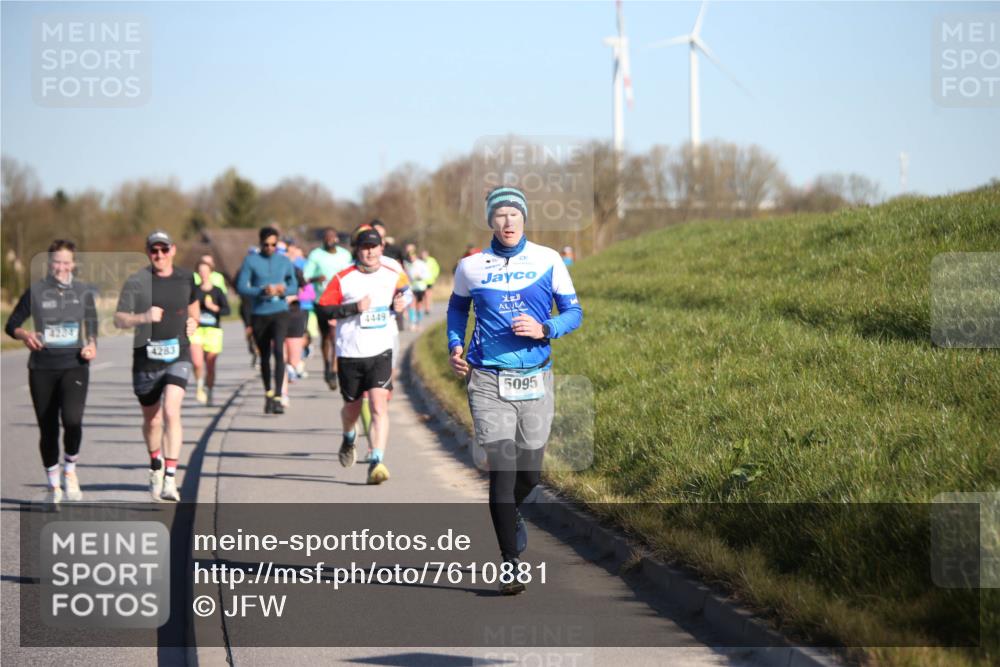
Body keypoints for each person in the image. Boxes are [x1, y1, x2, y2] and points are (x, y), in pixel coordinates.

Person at [447, 186, 583, 595]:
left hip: (536, 378)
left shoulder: (548, 259)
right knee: (502, 473)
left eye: (514, 215)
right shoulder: (471, 266)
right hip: (488, 380)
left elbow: (573, 312)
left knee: (531, 473)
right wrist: (455, 345)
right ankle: (510, 564)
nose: (508, 222)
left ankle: (513, 515)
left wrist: (547, 329)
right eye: (500, 215)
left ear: (524, 219)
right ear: (490, 221)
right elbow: (456, 308)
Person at [5, 239, 98, 504]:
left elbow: (91, 325)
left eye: (66, 262)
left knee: (72, 421)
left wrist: (91, 344)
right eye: (57, 261)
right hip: (42, 368)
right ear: (49, 263)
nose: (61, 267)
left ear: (74, 264)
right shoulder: (35, 291)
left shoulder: (83, 292)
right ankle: (53, 485)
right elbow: (11, 324)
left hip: (74, 366)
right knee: (48, 430)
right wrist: (24, 334)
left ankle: (70, 470)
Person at [316, 227, 410, 485]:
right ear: (358, 250)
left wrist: (402, 302)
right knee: (352, 409)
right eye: (364, 247)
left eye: (374, 247)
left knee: (379, 405)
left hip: (380, 350)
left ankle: (377, 460)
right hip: (350, 352)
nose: (369, 252)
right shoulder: (344, 278)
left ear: (382, 248)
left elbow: (406, 292)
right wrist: (354, 308)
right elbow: (323, 310)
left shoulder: (393, 273)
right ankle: (348, 437)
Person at [114, 230, 199, 502]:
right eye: (154, 250)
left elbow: (194, 307)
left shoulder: (187, 277)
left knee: (172, 411)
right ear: (148, 252)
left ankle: (171, 479)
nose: (159, 255)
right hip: (146, 361)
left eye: (164, 249)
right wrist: (143, 316)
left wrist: (193, 322)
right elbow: (118, 319)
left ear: (173, 250)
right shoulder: (138, 281)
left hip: (178, 355)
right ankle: (155, 466)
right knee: (153, 420)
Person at [236, 226, 298, 415]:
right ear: (260, 243)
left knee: (279, 351)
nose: (270, 248)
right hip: (260, 314)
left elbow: (294, 284)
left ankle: (279, 396)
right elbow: (241, 287)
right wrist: (261, 291)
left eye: (273, 244)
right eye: (266, 244)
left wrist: (282, 289)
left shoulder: (284, 261)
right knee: (264, 355)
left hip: (280, 312)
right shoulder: (251, 260)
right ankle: (268, 393)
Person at [303, 228, 353, 391]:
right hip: (321, 301)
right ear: (323, 240)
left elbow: (352, 274)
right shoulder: (316, 255)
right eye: (327, 237)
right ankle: (327, 365)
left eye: (333, 237)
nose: (330, 240)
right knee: (326, 336)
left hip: (340, 301)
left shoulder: (345, 255)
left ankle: (333, 370)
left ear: (337, 238)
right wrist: (316, 278)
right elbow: (305, 276)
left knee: (335, 335)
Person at [191, 259, 230, 406]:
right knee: (197, 362)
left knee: (210, 365)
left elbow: (227, 310)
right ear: (197, 273)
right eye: (200, 271)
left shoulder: (217, 291)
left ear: (211, 273)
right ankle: (200, 387)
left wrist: (214, 307)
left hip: (213, 331)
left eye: (206, 271)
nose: (203, 274)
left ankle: (210, 390)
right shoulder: (193, 290)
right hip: (197, 330)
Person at [403, 243, 430, 331]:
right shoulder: (406, 264)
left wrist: (420, 276)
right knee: (411, 304)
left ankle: (419, 323)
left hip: (420, 287)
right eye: (410, 256)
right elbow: (405, 275)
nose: (411, 258)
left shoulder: (421, 263)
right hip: (411, 287)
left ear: (416, 256)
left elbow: (426, 274)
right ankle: (412, 323)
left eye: (413, 256)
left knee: (419, 305)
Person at [421, 249, 440, 316]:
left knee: (428, 294)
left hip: (430, 280)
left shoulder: (432, 260)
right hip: (422, 282)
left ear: (427, 254)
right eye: (422, 255)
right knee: (423, 296)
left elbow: (436, 268)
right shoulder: (420, 261)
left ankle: (428, 308)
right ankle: (424, 308)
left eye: (424, 254)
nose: (423, 256)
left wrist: (434, 276)